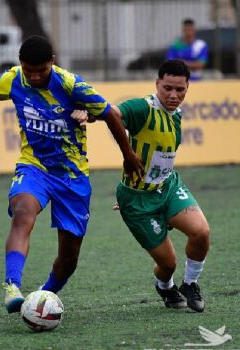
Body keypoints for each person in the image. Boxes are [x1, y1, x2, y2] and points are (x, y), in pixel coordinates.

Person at [0, 35, 144, 313]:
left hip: (72, 176)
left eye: (41, 71)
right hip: (34, 166)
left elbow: (109, 114)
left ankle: (44, 296)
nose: (34, 77)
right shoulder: (12, 79)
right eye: (28, 70)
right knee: (23, 212)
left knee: (69, 258)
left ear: (52, 63)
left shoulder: (71, 84)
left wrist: (128, 155)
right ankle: (12, 285)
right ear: (20, 64)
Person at [75, 59, 209, 312]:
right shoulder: (144, 108)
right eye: (167, 88)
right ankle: (165, 286)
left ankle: (190, 284)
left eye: (180, 90)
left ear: (188, 87)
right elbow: (113, 112)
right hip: (138, 201)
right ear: (157, 84)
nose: (173, 95)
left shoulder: (176, 113)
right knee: (168, 263)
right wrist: (90, 115)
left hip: (167, 187)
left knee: (201, 232)